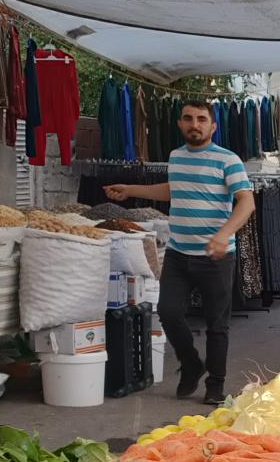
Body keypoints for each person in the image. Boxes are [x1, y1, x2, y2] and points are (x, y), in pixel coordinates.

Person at [105, 100, 253, 403]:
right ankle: (190, 364)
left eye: (201, 119)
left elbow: (246, 202)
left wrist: (223, 236)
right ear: (180, 124)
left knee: (217, 326)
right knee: (169, 313)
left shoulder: (228, 160)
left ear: (213, 126)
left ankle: (215, 385)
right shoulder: (176, 156)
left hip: (216, 257)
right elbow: (173, 189)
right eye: (188, 118)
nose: (194, 124)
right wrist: (131, 190)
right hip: (178, 253)